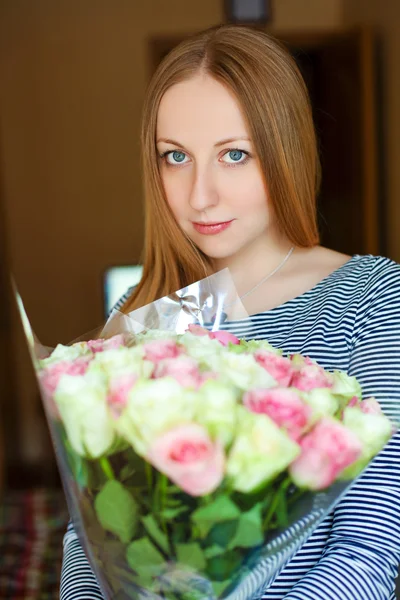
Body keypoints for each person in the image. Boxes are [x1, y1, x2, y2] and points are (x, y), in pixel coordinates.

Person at [60, 24, 400, 600]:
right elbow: (85, 534)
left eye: (235, 155)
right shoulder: (137, 312)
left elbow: (374, 547)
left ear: (286, 148)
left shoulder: (370, 296)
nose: (200, 195)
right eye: (176, 157)